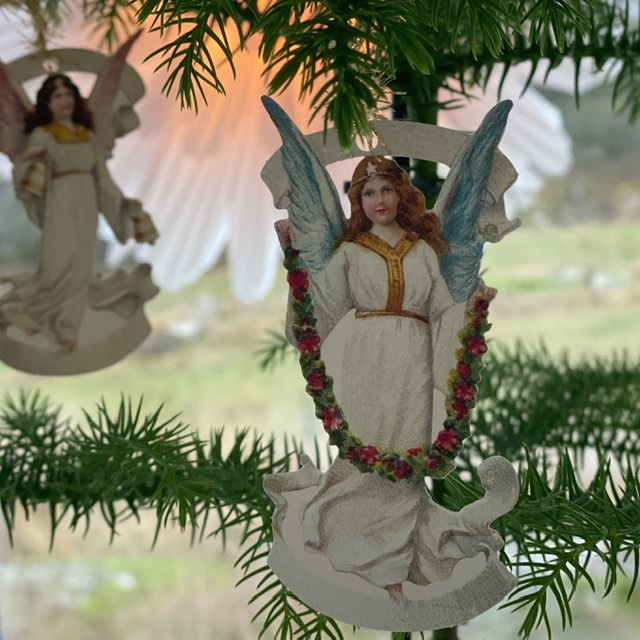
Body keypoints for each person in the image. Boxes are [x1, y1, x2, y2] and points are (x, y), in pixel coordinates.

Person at [270, 155, 497, 602]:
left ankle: (396, 568)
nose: (379, 200)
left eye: (387, 190)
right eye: (369, 193)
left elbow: (442, 308)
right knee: (366, 448)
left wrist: (474, 305)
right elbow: (323, 304)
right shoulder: (351, 252)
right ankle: (351, 548)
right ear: (358, 201)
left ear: (401, 195)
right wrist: (292, 253)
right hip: (365, 358)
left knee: (406, 452)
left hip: (414, 356)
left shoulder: (422, 250)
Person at [0, 74, 157, 354]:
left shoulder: (87, 137)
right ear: (47, 103)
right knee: (57, 265)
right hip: (59, 203)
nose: (65, 101)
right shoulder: (42, 136)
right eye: (57, 96)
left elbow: (103, 179)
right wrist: (35, 164)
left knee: (80, 267)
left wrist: (122, 204)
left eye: (68, 94)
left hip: (86, 203)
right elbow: (24, 168)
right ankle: (34, 314)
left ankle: (67, 329)